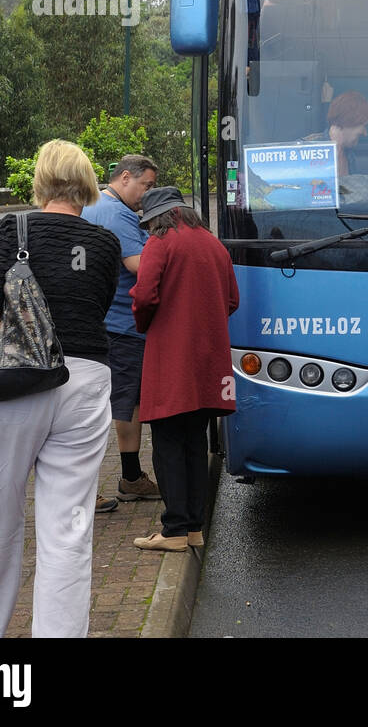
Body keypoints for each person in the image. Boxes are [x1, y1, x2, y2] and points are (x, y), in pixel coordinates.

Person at [0, 139, 121, 638]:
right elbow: (96, 308)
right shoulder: (105, 243)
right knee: (69, 522)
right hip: (86, 380)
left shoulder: (11, 228)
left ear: (40, 180)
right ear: (86, 184)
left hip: (16, 380)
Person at [129, 188, 238, 551]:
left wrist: (147, 322)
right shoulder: (214, 244)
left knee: (167, 443)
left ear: (158, 217)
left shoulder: (160, 244)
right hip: (210, 360)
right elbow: (233, 300)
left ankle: (174, 530)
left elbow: (144, 296)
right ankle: (194, 528)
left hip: (171, 358)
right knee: (195, 443)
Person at [81, 154, 160, 510]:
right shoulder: (118, 214)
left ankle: (129, 477)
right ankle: (127, 479)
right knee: (124, 405)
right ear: (125, 177)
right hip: (123, 324)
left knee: (124, 404)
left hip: (102, 319)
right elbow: (141, 267)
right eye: (146, 185)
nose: (147, 193)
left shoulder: (93, 204)